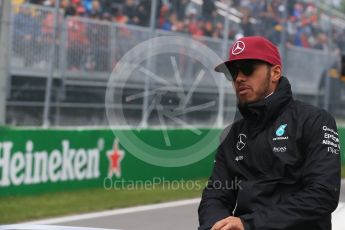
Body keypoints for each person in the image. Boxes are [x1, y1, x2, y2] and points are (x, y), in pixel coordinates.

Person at [198, 36, 341, 230]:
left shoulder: (314, 121)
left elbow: (322, 194)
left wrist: (249, 224)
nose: (239, 78)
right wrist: (217, 226)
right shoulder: (232, 136)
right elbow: (215, 196)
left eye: (248, 68)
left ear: (275, 73)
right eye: (233, 72)